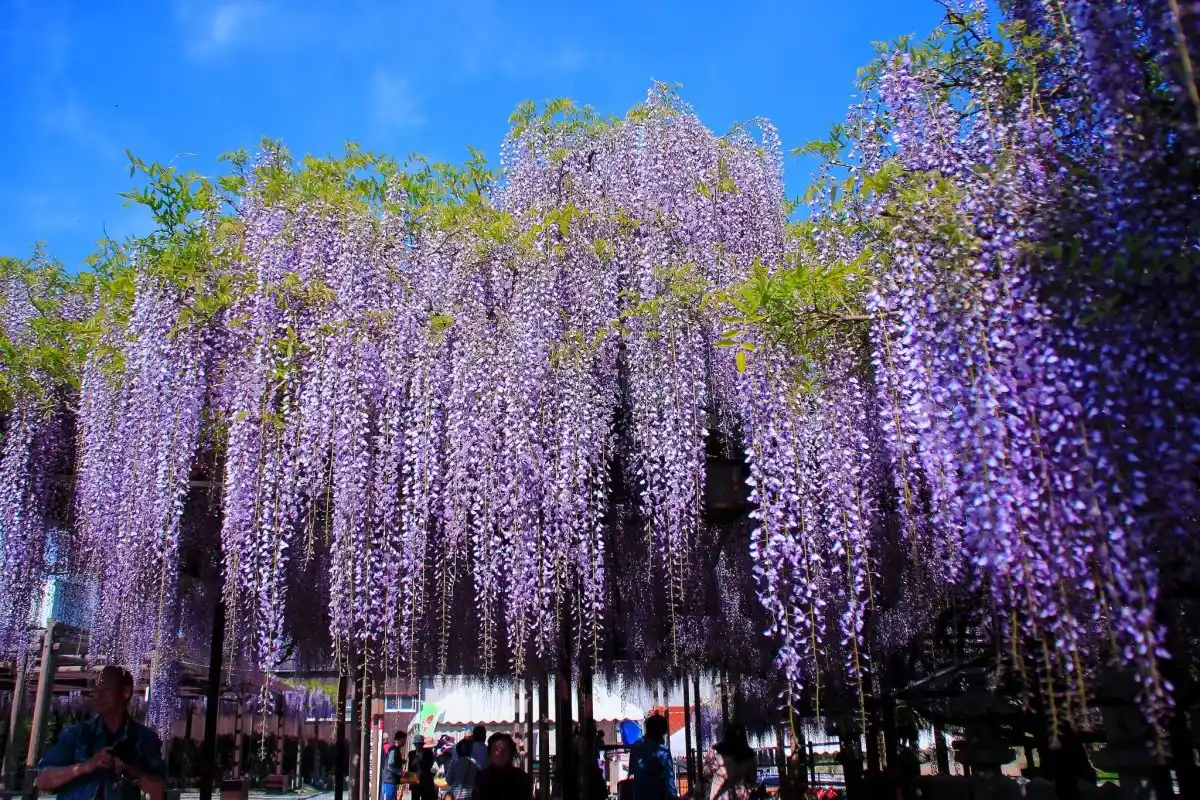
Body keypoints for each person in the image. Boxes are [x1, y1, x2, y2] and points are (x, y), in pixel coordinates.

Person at [36, 665, 166, 800]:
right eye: (96, 690)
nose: (98, 696)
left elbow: (158, 791)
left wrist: (133, 771)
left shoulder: (144, 738)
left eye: (106, 690)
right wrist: (86, 766)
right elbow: (43, 780)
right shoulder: (77, 734)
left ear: (126, 692)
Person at [629, 713, 678, 800]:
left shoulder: (635, 747)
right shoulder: (662, 751)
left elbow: (632, 771)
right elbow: (669, 780)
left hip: (639, 795)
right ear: (661, 732)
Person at [702, 724, 757, 800]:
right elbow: (752, 779)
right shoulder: (749, 755)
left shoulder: (715, 751)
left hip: (719, 794)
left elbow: (706, 772)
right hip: (740, 794)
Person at [474, 732, 532, 800]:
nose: (500, 753)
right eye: (496, 749)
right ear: (490, 753)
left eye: (504, 750)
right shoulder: (482, 777)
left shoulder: (521, 777)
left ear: (510, 752)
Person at [408, 734, 436, 800]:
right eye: (416, 744)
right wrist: (413, 763)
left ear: (422, 744)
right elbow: (410, 768)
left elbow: (429, 766)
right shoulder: (411, 754)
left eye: (420, 744)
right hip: (414, 781)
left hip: (425, 782)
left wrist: (419, 763)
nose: (418, 746)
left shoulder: (429, 753)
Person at [382, 730, 408, 800]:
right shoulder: (393, 750)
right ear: (398, 740)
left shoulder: (395, 750)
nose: (404, 742)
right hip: (390, 781)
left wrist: (401, 761)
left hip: (390, 781)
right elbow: (390, 765)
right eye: (403, 740)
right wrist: (400, 772)